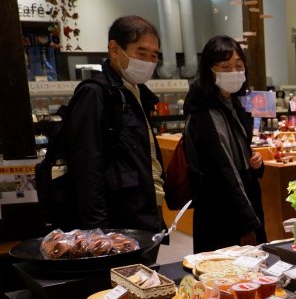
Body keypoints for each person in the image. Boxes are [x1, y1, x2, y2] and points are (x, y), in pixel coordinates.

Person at [66, 15, 165, 233]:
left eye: (154, 55)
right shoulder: (95, 93)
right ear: (114, 49)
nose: (148, 61)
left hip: (145, 210)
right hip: (116, 221)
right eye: (141, 53)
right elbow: (87, 167)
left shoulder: (138, 93)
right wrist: (97, 231)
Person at [182, 35, 266, 253]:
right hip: (222, 211)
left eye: (239, 66)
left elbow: (237, 154)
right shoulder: (204, 113)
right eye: (225, 67)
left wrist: (255, 162)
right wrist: (247, 222)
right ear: (210, 70)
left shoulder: (233, 104)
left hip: (242, 201)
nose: (234, 72)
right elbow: (223, 171)